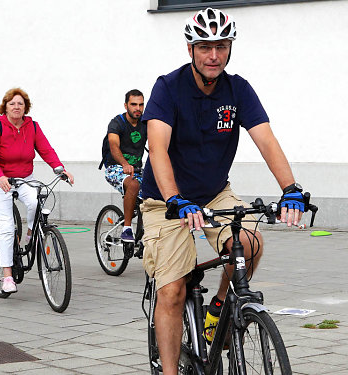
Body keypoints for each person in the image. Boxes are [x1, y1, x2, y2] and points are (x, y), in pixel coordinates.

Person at [141, 8, 306, 375]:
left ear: (229, 49)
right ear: (191, 50)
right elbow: (158, 148)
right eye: (205, 47)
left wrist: (291, 188)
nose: (213, 55)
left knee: (250, 242)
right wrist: (175, 199)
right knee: (172, 291)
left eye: (221, 46)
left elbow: (266, 139)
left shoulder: (238, 89)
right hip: (164, 201)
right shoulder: (168, 87)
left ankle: (217, 308)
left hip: (214, 194)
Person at [0, 88, 74, 294]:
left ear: (26, 107)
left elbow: (45, 149)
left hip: (24, 178)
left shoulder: (32, 126)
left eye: (20, 104)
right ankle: (7, 275)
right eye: (12, 104)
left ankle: (31, 233)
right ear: (5, 107)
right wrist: (0, 177)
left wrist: (60, 169)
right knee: (7, 227)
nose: (16, 107)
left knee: (35, 202)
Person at [103, 89, 147, 242]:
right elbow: (114, 146)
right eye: (134, 104)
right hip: (116, 168)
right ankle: (127, 229)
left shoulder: (145, 123)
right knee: (133, 185)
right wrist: (124, 163)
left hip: (137, 169)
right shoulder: (117, 123)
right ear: (125, 105)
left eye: (141, 105)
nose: (138, 108)